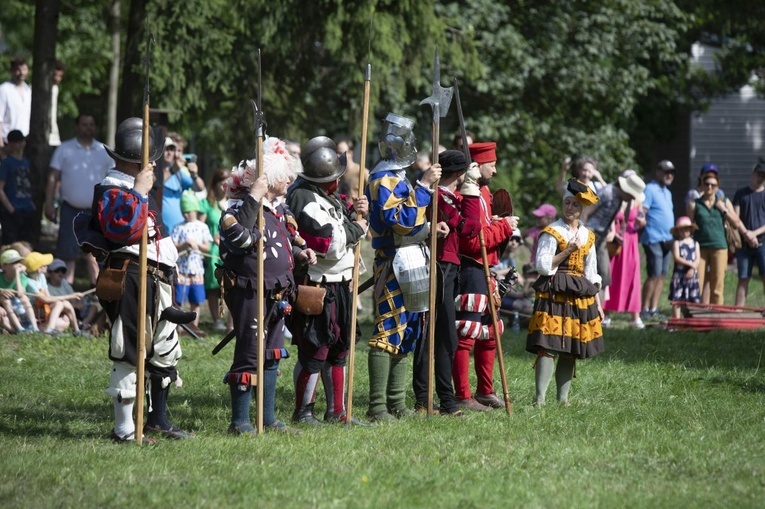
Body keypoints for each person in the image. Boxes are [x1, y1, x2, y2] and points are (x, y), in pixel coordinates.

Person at [77, 117, 196, 442]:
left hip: (157, 278)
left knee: (163, 348)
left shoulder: (137, 188)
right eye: (150, 157)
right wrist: (140, 193)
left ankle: (158, 418)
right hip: (131, 275)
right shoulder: (111, 189)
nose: (155, 163)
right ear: (135, 161)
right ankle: (125, 429)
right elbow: (122, 229)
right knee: (129, 347)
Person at [219, 137, 316, 435]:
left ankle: (268, 417)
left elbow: (281, 244)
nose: (288, 179)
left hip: (277, 291)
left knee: (273, 353)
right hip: (250, 290)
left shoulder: (276, 210)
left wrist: (301, 254)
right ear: (269, 181)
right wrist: (254, 198)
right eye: (283, 175)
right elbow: (241, 240)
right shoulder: (238, 208)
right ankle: (240, 421)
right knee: (250, 353)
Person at [286, 136, 370, 425]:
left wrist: (357, 213)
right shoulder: (303, 198)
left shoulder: (328, 196)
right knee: (315, 349)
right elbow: (330, 243)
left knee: (339, 349)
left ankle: (337, 411)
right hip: (319, 284)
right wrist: (357, 228)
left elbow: (342, 225)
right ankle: (303, 411)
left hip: (341, 281)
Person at [364, 113, 441, 421]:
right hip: (394, 262)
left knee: (407, 332)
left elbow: (416, 223)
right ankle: (378, 407)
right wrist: (423, 185)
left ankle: (397, 403)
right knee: (388, 330)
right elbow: (401, 222)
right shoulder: (384, 178)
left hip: (411, 259)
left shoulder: (399, 176)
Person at [411, 150, 481, 416]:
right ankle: (427, 398)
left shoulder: (451, 197)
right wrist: (471, 190)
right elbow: (469, 228)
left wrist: (470, 191)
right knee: (434, 336)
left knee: (445, 338)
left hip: (450, 267)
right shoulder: (439, 197)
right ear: (459, 174)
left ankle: (442, 398)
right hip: (438, 266)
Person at [453, 141, 518, 411]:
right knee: (467, 333)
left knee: (490, 332)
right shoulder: (465, 197)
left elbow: (486, 233)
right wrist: (504, 227)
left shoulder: (485, 193)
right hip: (470, 269)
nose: (496, 168)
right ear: (478, 166)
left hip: (486, 268)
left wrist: (502, 228)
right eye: (492, 164)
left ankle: (485, 390)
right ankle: (463, 395)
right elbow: (471, 243)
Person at [527, 179, 604, 406]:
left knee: (570, 347)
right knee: (549, 344)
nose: (570, 208)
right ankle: (539, 398)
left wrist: (597, 303)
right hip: (554, 291)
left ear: (582, 209)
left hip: (579, 294)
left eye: (575, 205)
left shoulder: (588, 236)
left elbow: (592, 273)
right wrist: (567, 251)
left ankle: (563, 400)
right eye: (567, 203)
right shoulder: (552, 232)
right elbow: (542, 266)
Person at [45, 114, 113, 286]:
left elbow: (112, 181)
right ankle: (68, 295)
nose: (87, 127)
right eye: (84, 124)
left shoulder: (103, 150)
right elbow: (52, 177)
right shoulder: (64, 149)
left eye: (91, 124)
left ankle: (97, 296)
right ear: (77, 127)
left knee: (93, 255)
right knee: (69, 254)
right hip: (70, 209)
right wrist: (48, 203)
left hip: (96, 211)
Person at [582, 170, 646, 300]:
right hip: (588, 235)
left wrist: (613, 232)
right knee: (584, 274)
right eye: (632, 195)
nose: (633, 199)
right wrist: (580, 234)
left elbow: (613, 217)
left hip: (601, 238)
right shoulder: (607, 192)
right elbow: (586, 211)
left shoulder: (620, 198)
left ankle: (597, 315)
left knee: (604, 276)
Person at [687, 171, 746, 304]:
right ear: (701, 185)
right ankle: (695, 314)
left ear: (717, 187)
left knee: (717, 285)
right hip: (700, 248)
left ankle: (716, 315)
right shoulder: (694, 204)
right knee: (697, 283)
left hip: (720, 246)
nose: (709, 187)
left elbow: (736, 223)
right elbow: (690, 227)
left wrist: (723, 209)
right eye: (706, 184)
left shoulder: (724, 201)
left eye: (713, 185)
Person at [603, 170, 646, 329]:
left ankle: (635, 316)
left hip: (631, 240)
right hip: (615, 240)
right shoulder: (615, 197)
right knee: (611, 274)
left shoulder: (637, 200)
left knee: (632, 276)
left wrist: (641, 222)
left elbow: (641, 219)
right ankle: (606, 314)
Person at [171, 191, 213, 337]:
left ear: (195, 210)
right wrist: (184, 245)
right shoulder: (178, 227)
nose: (186, 215)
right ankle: (179, 327)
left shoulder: (202, 227)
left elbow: (207, 247)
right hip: (182, 269)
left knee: (196, 299)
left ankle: (194, 326)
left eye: (189, 211)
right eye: (184, 212)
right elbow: (174, 246)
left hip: (197, 269)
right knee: (180, 299)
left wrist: (197, 246)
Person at [640, 160, 675, 321]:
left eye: (671, 172)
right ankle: (644, 308)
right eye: (666, 171)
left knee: (662, 275)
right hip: (653, 238)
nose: (669, 175)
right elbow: (643, 212)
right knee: (653, 274)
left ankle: (653, 308)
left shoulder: (667, 192)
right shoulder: (650, 189)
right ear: (658, 172)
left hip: (667, 239)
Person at [23, 251, 84, 336]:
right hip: (34, 310)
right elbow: (45, 299)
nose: (47, 267)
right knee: (59, 304)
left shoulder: (41, 277)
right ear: (39, 269)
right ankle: (50, 330)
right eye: (44, 265)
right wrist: (70, 296)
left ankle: (76, 330)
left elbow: (48, 296)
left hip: (43, 307)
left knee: (65, 303)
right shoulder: (29, 282)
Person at [199, 167, 230, 331]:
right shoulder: (206, 203)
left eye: (227, 183)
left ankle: (230, 321)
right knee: (213, 286)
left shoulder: (232, 202)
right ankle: (216, 320)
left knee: (230, 284)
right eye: (221, 182)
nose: (224, 186)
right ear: (215, 184)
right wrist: (212, 238)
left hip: (229, 249)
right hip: (212, 249)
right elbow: (199, 226)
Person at [732, 162, 765, 306]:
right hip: (744, 244)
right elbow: (735, 218)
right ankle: (738, 310)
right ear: (753, 174)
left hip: (763, 242)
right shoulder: (741, 194)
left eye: (763, 176)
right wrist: (747, 235)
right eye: (758, 175)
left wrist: (754, 234)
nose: (760, 178)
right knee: (743, 277)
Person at [160, 134, 207, 234]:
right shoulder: (156, 169)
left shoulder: (180, 173)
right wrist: (174, 169)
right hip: (161, 231)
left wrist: (194, 175)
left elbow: (199, 188)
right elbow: (158, 182)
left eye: (178, 151)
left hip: (178, 232)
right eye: (170, 149)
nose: (176, 155)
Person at [0, 130, 35, 244]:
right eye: (16, 141)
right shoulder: (6, 163)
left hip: (27, 208)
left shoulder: (26, 162)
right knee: (11, 245)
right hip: (13, 210)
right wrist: (11, 209)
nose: (20, 144)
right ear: (10, 144)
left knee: (26, 244)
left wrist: (31, 204)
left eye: (21, 141)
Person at [46, 257, 99, 329]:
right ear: (49, 273)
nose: (60, 273)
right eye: (57, 271)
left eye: (63, 271)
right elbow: (53, 302)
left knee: (94, 307)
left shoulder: (64, 283)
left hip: (74, 307)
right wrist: (74, 305)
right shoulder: (48, 287)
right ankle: (78, 325)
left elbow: (73, 296)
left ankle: (83, 324)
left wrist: (79, 303)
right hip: (64, 311)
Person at [668, 216, 700, 318]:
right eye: (681, 229)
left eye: (687, 228)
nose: (684, 231)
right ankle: (676, 320)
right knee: (677, 299)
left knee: (693, 298)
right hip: (679, 275)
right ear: (678, 231)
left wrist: (693, 268)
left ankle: (691, 319)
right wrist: (691, 264)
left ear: (691, 229)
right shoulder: (677, 243)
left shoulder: (695, 244)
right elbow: (677, 258)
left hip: (692, 275)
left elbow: (698, 259)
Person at [0, 248, 38, 333]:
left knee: (24, 298)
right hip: (4, 307)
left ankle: (35, 328)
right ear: (4, 266)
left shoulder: (22, 277)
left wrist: (17, 273)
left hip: (18, 306)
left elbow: (20, 294)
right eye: (13, 263)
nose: (17, 265)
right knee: (4, 299)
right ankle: (19, 329)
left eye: (18, 262)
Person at [0, 57, 31, 149]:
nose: (22, 73)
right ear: (12, 71)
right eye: (18, 70)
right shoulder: (4, 89)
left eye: (24, 69)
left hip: (26, 141)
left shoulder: (29, 91)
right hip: (8, 142)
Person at [49, 60, 66, 148]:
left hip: (53, 134)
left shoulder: (55, 88)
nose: (57, 79)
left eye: (60, 76)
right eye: (55, 75)